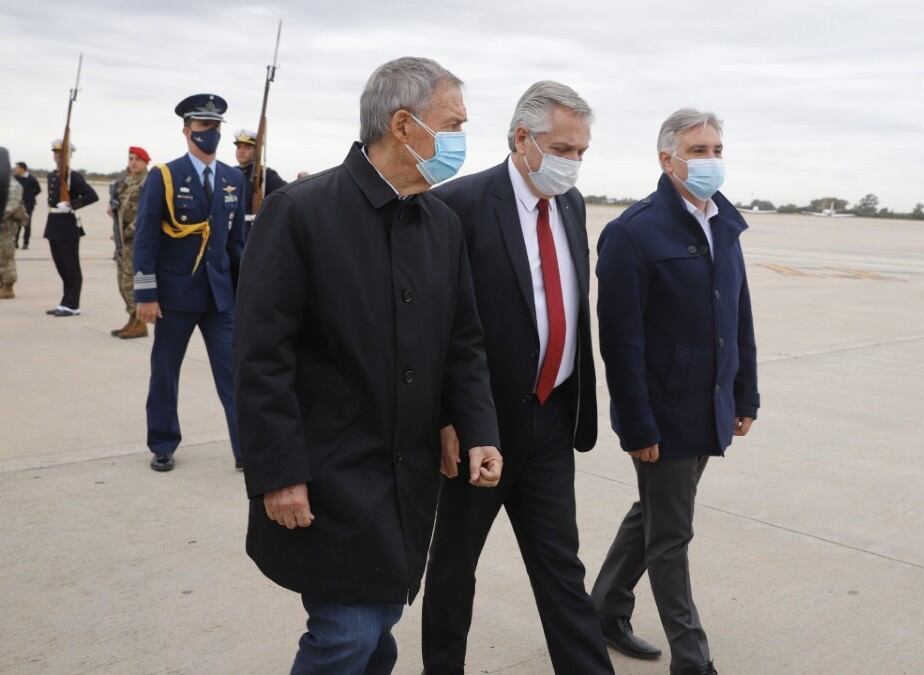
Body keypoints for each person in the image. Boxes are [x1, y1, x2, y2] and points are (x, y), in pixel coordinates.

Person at [234, 56, 503, 675]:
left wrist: (478, 426)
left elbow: (463, 340)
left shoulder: (440, 223)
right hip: (330, 474)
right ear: (404, 126)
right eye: (454, 123)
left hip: (408, 476)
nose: (462, 138)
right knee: (347, 636)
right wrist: (279, 472)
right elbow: (260, 357)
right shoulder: (301, 212)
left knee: (375, 631)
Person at [422, 82, 613, 675]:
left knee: (562, 567)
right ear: (522, 139)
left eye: (582, 151)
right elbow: (435, 328)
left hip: (551, 419)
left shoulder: (573, 205)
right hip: (481, 426)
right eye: (563, 148)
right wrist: (449, 419)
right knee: (455, 567)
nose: (573, 162)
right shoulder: (460, 204)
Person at [590, 109, 760, 675]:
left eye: (717, 148)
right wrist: (637, 425)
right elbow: (621, 341)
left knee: (657, 515)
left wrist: (745, 395)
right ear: (667, 159)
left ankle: (604, 609)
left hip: (709, 404)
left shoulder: (723, 224)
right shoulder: (632, 233)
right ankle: (693, 658)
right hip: (663, 413)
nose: (711, 159)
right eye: (698, 149)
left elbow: (738, 317)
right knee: (672, 534)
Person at [132, 94, 245, 472]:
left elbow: (235, 246)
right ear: (186, 130)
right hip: (174, 296)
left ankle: (247, 449)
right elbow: (145, 238)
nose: (209, 132)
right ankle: (163, 442)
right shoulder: (164, 175)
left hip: (219, 299)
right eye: (202, 126)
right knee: (166, 372)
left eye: (214, 127)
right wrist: (146, 294)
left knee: (236, 375)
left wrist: (243, 292)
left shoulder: (232, 179)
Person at [44, 140, 99, 317]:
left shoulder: (72, 176)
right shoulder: (53, 175)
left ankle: (73, 305)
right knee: (61, 266)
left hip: (67, 226)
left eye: (62, 153)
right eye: (56, 152)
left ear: (69, 155)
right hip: (53, 224)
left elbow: (92, 195)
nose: (58, 156)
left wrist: (72, 204)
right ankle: (65, 302)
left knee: (71, 266)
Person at [110, 147, 150, 338]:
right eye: (131, 158)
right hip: (122, 241)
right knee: (122, 281)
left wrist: (130, 231)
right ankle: (132, 318)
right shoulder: (124, 183)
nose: (133, 162)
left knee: (131, 281)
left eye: (138, 159)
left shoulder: (147, 183)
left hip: (135, 240)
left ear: (145, 163)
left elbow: (146, 213)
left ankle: (140, 322)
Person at [232, 129, 286, 215]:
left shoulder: (266, 174)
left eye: (247, 148)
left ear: (256, 151)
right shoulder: (230, 173)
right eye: (239, 147)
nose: (241, 151)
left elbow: (285, 197)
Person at [0, 174, 26, 299]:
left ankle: (8, 288)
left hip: (6, 227)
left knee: (6, 256)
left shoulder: (13, 185)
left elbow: (12, 206)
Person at [13, 161, 40, 249]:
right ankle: (15, 242)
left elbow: (38, 190)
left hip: (28, 204)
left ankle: (26, 243)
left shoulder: (31, 179)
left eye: (17, 168)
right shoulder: (15, 178)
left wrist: (30, 196)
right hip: (17, 203)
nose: (15, 169)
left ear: (22, 169)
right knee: (16, 223)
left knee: (26, 224)